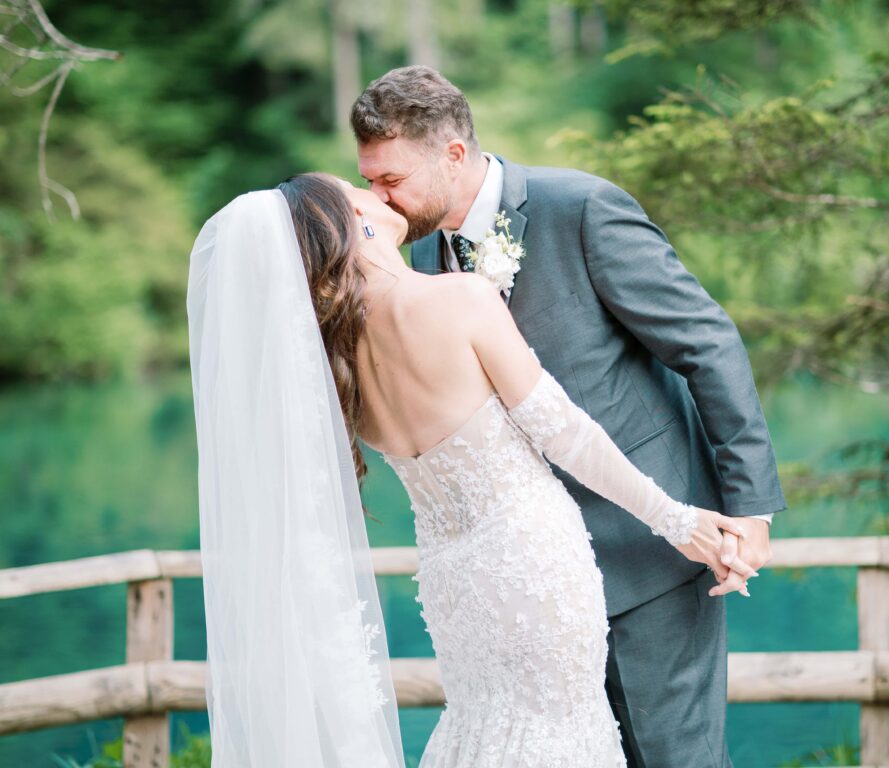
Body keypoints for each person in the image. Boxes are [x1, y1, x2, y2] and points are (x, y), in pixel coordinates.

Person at [188, 172, 758, 768]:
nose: (379, 197)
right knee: (559, 733)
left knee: (485, 730)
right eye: (360, 194)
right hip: (531, 561)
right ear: (349, 224)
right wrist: (675, 519)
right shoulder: (458, 299)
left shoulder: (338, 366)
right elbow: (566, 433)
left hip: (452, 581)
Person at [350, 65, 787, 768]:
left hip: (650, 551)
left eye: (391, 179)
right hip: (533, 585)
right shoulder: (421, 263)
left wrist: (750, 510)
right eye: (369, 180)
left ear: (452, 154)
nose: (379, 197)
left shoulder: (579, 208)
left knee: (672, 757)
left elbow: (706, 344)